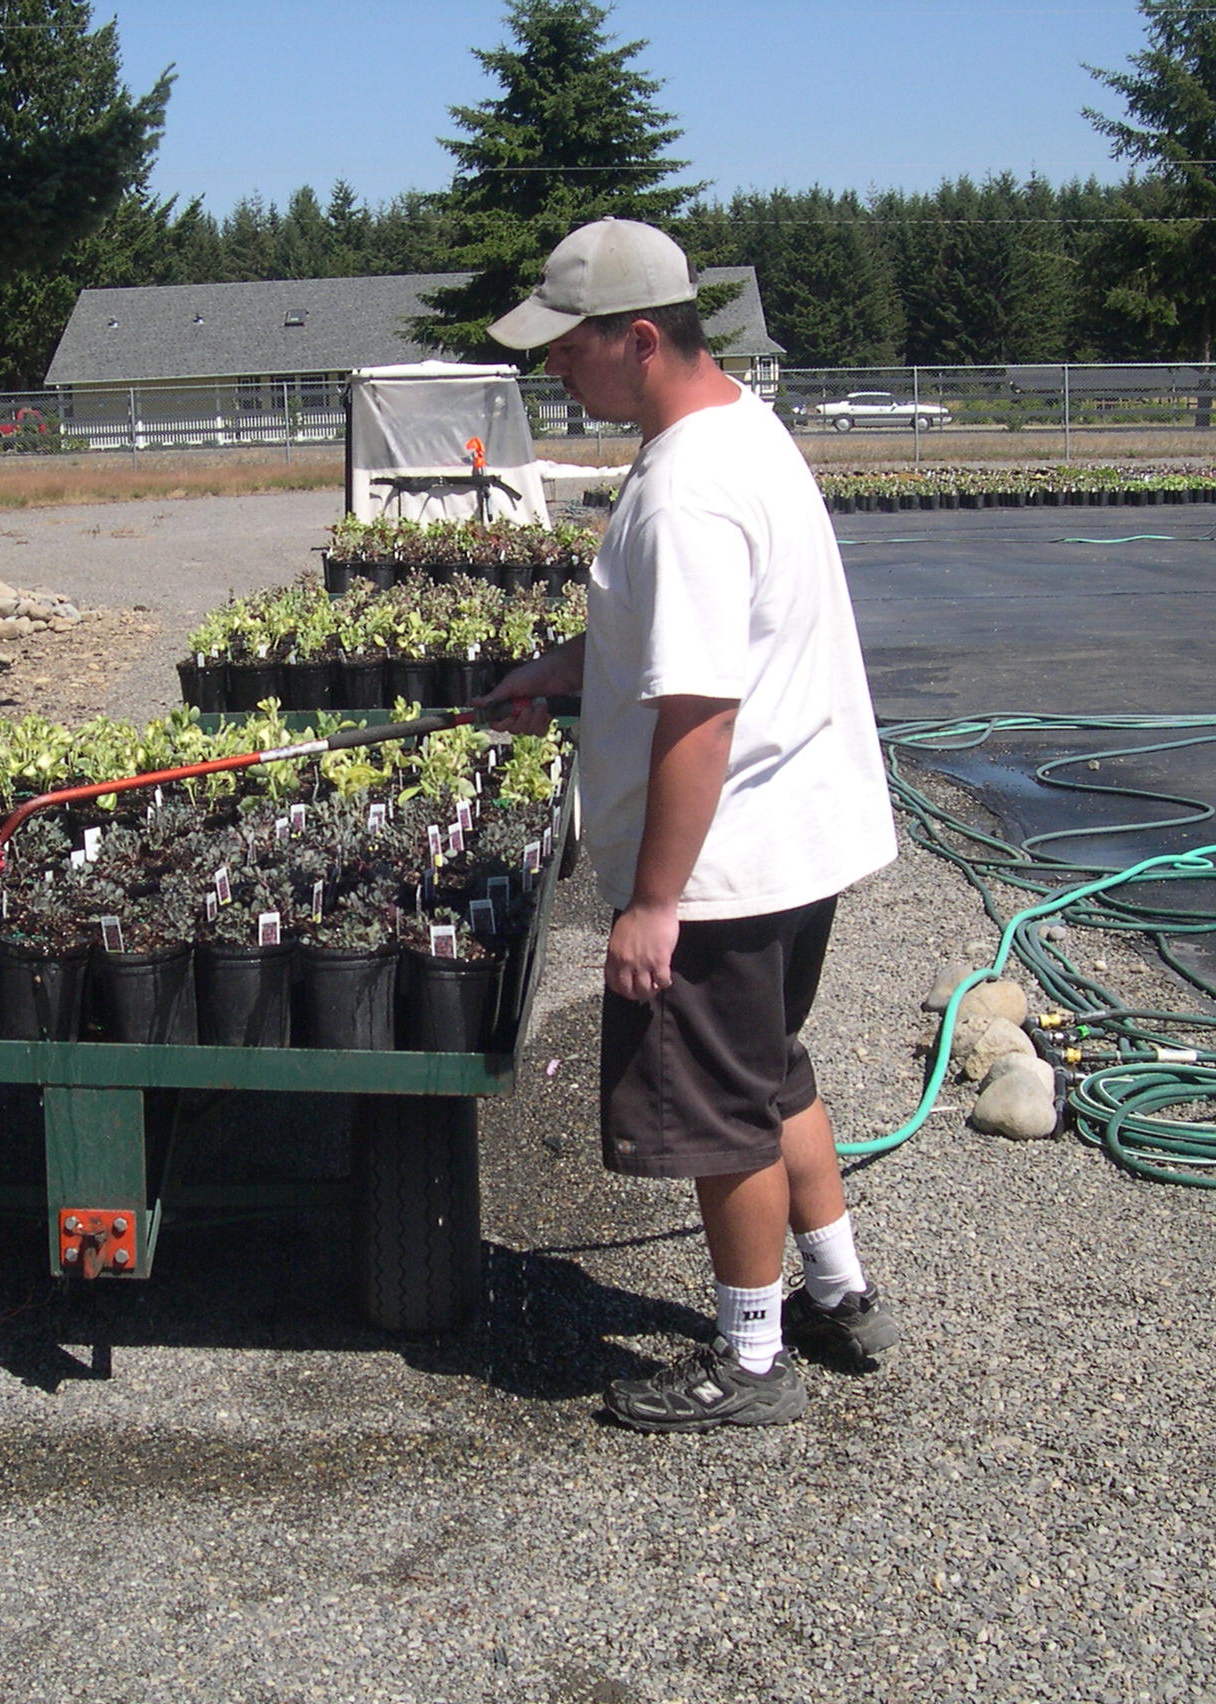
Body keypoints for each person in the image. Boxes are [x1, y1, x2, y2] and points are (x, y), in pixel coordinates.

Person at [478, 219, 901, 1433]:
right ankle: (840, 1292)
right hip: (799, 839)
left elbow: (702, 715)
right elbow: (692, 644)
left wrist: (653, 902)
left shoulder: (684, 493)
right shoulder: (740, 433)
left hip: (726, 867)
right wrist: (561, 671)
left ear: (641, 338)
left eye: (567, 349)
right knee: (769, 1074)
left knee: (718, 1115)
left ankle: (750, 1361)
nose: (553, 373)